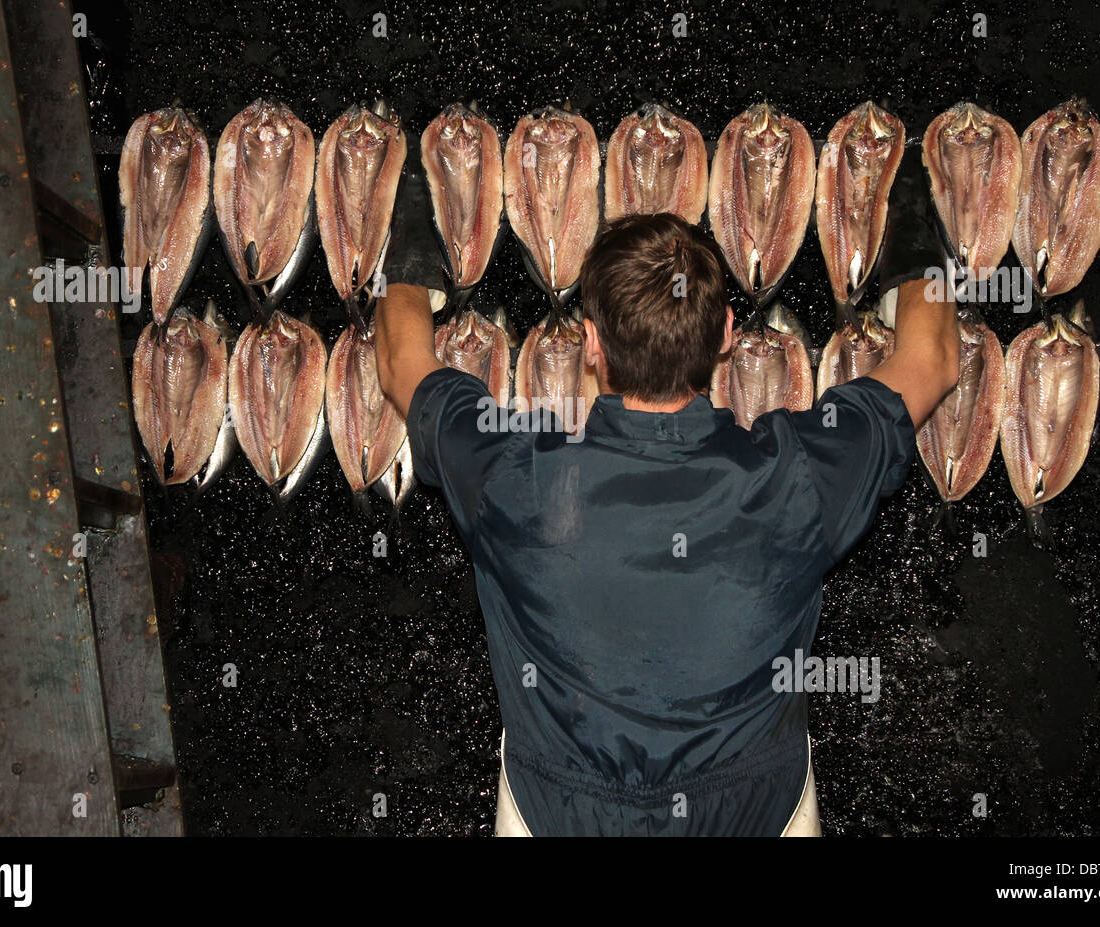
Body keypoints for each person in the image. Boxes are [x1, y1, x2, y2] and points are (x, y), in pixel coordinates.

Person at [373, 160, 958, 836]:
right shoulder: (797, 478)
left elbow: (400, 361)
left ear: (590, 343)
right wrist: (912, 221)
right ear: (728, 336)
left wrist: (412, 230)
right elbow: (932, 357)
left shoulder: (514, 477)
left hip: (564, 813)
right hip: (751, 812)